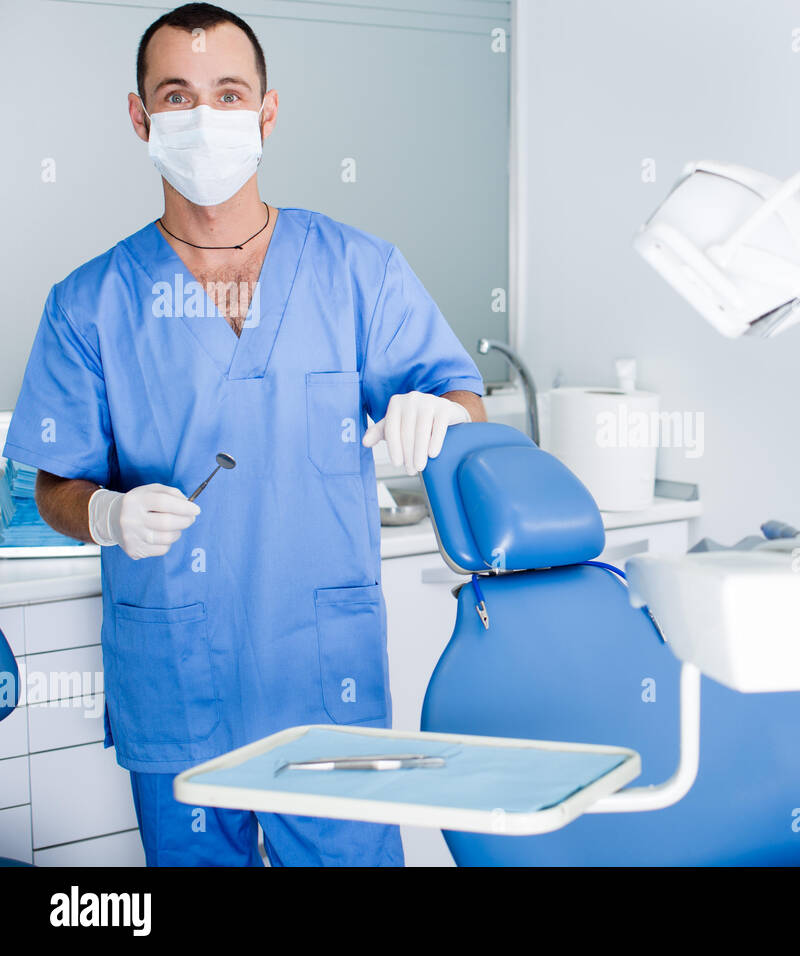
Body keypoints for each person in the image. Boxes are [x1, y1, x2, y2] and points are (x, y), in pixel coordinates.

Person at [1, 2, 488, 866]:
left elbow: (460, 398)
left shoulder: (355, 270)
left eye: (228, 94)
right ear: (139, 116)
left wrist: (443, 413)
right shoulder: (91, 302)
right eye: (178, 96)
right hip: (179, 680)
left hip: (323, 679)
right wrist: (108, 515)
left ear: (266, 113)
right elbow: (53, 485)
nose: (204, 118)